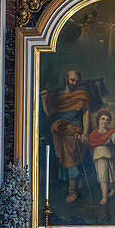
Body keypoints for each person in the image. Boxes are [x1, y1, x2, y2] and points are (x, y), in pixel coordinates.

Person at [40, 69, 91, 203]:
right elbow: (50, 115)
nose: (74, 83)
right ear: (66, 79)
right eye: (72, 80)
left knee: (71, 159)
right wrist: (44, 100)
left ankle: (72, 190)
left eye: (76, 81)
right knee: (64, 159)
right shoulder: (58, 97)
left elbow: (86, 114)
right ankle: (74, 184)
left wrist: (85, 133)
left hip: (75, 131)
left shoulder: (82, 95)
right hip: (60, 132)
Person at [87, 109, 115, 206]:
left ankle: (107, 195)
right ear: (98, 120)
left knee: (111, 175)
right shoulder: (93, 134)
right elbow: (90, 143)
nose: (105, 121)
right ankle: (107, 195)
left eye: (107, 120)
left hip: (109, 155)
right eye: (103, 119)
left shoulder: (111, 132)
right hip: (98, 156)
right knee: (102, 176)